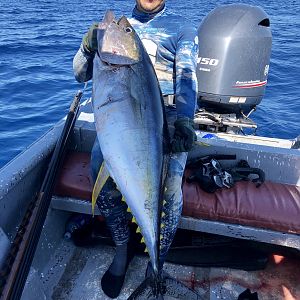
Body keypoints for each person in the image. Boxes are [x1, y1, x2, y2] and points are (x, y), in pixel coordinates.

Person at [73, 0, 198, 298]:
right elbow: (80, 75)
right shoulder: (111, 35)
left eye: (124, 30)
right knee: (99, 174)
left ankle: (157, 262)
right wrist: (87, 48)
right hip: (121, 120)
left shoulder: (182, 28)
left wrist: (185, 121)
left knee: (170, 192)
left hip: (167, 124)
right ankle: (121, 249)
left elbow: (188, 77)